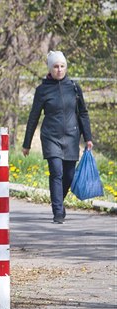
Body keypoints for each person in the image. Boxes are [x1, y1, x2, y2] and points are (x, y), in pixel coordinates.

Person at [22, 51, 93, 224]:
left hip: (71, 137)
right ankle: (58, 212)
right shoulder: (42, 90)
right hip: (50, 136)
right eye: (55, 66)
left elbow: (83, 113)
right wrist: (27, 143)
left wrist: (88, 137)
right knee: (56, 171)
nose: (59, 70)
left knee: (68, 175)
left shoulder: (74, 88)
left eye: (62, 66)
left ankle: (58, 202)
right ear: (50, 68)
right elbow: (34, 117)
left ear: (66, 67)